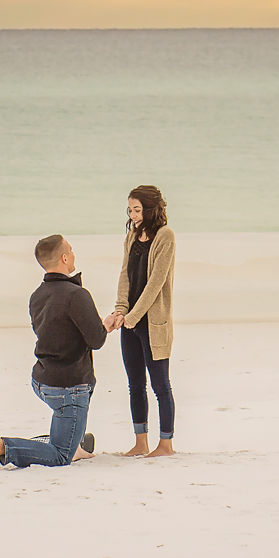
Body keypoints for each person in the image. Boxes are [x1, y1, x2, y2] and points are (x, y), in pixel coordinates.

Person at [0, 234, 102, 471]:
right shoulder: (77, 295)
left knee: (73, 435)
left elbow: (55, 333)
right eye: (71, 250)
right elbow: (96, 340)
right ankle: (0, 446)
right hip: (68, 387)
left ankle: (76, 441)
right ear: (65, 258)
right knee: (60, 455)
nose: (74, 254)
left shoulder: (37, 295)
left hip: (41, 380)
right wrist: (104, 325)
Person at [107, 184, 177, 457]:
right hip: (130, 323)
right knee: (135, 384)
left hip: (153, 324)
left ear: (150, 209)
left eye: (137, 209)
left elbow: (156, 283)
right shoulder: (133, 235)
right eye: (130, 209)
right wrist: (120, 311)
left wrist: (134, 316)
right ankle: (140, 442)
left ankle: (166, 445)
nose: (133, 214)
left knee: (161, 386)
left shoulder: (165, 236)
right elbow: (125, 275)